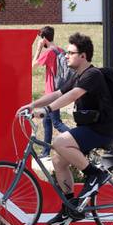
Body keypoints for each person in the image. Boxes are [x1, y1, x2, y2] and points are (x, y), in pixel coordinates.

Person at [18, 32, 113, 225]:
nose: (65, 55)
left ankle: (96, 174)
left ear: (83, 56)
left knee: (59, 142)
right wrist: (32, 105)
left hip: (101, 129)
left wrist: (46, 110)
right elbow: (57, 93)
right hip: (90, 128)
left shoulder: (92, 75)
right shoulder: (78, 75)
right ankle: (72, 207)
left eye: (70, 52)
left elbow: (73, 95)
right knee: (58, 159)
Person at [31, 26, 70, 156]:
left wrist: (38, 48)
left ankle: (78, 140)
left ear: (44, 39)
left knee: (57, 123)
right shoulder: (60, 50)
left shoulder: (48, 53)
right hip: (59, 90)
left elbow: (33, 66)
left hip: (52, 93)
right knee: (46, 121)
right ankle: (46, 151)